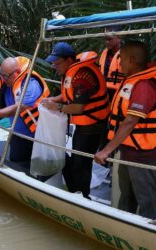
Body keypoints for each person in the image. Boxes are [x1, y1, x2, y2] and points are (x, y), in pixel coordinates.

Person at [94, 41, 156, 220]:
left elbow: (130, 121)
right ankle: (124, 224)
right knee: (126, 194)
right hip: (129, 149)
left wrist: (107, 150)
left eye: (120, 60)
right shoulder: (133, 81)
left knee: (146, 198)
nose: (119, 64)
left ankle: (150, 235)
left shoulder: (145, 85)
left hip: (141, 153)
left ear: (131, 60)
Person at [42, 42, 109, 199]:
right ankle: (75, 192)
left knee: (81, 164)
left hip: (92, 125)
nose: (55, 66)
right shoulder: (73, 72)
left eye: (57, 63)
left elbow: (78, 108)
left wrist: (56, 107)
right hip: (83, 125)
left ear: (69, 60)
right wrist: (52, 99)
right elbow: (68, 96)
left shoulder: (82, 77)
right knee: (76, 161)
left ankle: (82, 197)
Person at [0, 42, 50, 163]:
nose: (4, 79)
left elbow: (18, 108)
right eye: (2, 76)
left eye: (7, 76)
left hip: (36, 135)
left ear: (17, 72)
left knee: (38, 165)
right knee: (17, 162)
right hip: (18, 133)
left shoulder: (31, 84)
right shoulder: (6, 75)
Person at [99, 26, 125, 101]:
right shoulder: (104, 53)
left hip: (119, 92)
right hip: (104, 91)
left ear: (119, 38)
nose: (107, 42)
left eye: (110, 39)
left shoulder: (125, 54)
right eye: (105, 39)